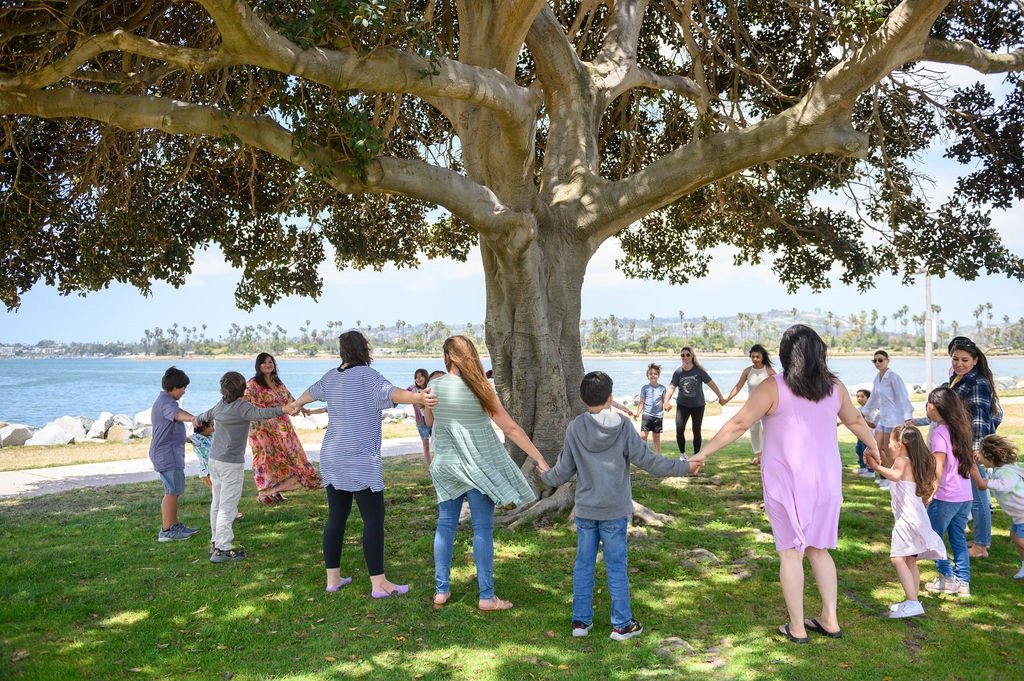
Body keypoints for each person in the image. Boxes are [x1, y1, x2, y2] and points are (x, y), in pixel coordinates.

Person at [688, 325, 878, 644]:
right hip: (827, 480)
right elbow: (856, 421)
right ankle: (830, 620)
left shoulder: (773, 387)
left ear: (786, 354)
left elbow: (738, 423)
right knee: (819, 549)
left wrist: (702, 453)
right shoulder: (835, 387)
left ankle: (797, 626)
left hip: (787, 480)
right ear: (820, 353)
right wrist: (873, 446)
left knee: (791, 553)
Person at [541, 371, 693, 640]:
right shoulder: (622, 426)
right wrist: (684, 468)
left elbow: (562, 471)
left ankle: (580, 622)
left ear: (582, 398)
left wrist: (544, 475)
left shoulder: (575, 427)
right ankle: (621, 624)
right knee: (616, 566)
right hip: (614, 510)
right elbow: (648, 461)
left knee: (583, 565)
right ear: (610, 397)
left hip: (587, 510)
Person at [288, 331, 437, 597]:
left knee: (336, 517)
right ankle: (379, 584)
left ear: (342, 351)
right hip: (358, 457)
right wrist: (419, 398)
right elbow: (393, 393)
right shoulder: (368, 376)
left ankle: (332, 579)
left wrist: (296, 403)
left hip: (332, 456)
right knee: (373, 519)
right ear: (364, 350)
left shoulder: (331, 377)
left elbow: (311, 392)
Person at [423, 336, 550, 613]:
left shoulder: (435, 386)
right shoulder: (481, 388)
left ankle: (441, 591)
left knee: (445, 525)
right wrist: (538, 457)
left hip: (446, 464)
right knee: (481, 528)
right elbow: (511, 429)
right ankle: (486, 596)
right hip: (479, 465)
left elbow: (430, 422)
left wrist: (430, 408)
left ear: (449, 357)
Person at [195, 372, 295, 563]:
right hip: (230, 464)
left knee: (217, 503)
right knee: (227, 506)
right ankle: (223, 549)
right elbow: (262, 413)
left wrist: (195, 419)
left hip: (214, 461)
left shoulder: (220, 405)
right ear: (243, 388)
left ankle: (216, 543)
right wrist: (284, 409)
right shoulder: (241, 407)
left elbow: (204, 416)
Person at [865, 424, 946, 618]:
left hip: (907, 519)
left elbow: (894, 475)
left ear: (900, 444)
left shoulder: (902, 461)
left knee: (897, 558)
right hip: (917, 516)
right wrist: (880, 463)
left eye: (891, 442)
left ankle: (912, 603)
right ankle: (912, 599)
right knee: (910, 559)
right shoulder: (913, 461)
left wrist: (876, 467)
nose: (889, 445)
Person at [946, 336, 1003, 559]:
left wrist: (977, 448)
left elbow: (980, 417)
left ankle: (981, 546)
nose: (959, 363)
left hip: (971, 448)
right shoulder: (958, 379)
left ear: (975, 360)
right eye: (955, 358)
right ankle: (979, 538)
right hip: (961, 445)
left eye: (965, 360)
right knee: (971, 496)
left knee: (979, 499)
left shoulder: (977, 382)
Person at [245, 352, 322, 505]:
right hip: (261, 428)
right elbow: (246, 405)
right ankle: (263, 493)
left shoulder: (277, 382)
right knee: (264, 458)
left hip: (282, 427)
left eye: (270, 362)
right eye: (264, 363)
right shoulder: (253, 384)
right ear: (258, 366)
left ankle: (276, 491)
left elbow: (289, 399)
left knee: (286, 456)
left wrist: (302, 408)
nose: (268, 365)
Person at [922, 386, 976, 597]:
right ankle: (964, 583)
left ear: (933, 406)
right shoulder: (961, 430)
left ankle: (946, 579)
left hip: (946, 496)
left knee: (933, 537)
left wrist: (930, 493)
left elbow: (939, 467)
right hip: (965, 495)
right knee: (958, 538)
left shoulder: (939, 433)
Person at [149, 366, 201, 542]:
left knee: (173, 490)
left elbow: (169, 428)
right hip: (166, 454)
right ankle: (167, 530)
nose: (184, 391)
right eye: (183, 388)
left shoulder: (166, 401)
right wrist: (194, 418)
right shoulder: (167, 403)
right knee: (172, 490)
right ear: (174, 387)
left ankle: (173, 525)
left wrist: (187, 439)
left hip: (169, 452)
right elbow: (177, 415)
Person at [970, 435, 1024, 580]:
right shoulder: (998, 469)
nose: (978, 456)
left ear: (991, 457)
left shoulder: (1006, 472)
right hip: (1018, 515)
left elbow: (1002, 485)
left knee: (1020, 539)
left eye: (981, 454)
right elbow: (992, 474)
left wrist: (976, 472)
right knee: (1014, 536)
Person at [863, 350, 914, 490]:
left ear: (887, 360)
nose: (877, 363)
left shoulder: (893, 377)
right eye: (875, 361)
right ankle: (886, 476)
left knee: (889, 450)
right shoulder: (877, 378)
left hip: (894, 419)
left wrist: (907, 415)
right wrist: (864, 412)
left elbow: (903, 396)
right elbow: (873, 398)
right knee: (876, 447)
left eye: (880, 360)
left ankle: (897, 478)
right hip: (883, 418)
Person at [662, 347, 726, 458]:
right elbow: (671, 387)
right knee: (679, 429)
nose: (685, 357)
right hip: (683, 406)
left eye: (687, 355)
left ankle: (697, 456)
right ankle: (682, 454)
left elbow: (711, 383)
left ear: (692, 356)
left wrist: (720, 397)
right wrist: (666, 401)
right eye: (682, 355)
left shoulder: (699, 371)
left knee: (696, 430)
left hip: (698, 406)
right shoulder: (678, 372)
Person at [721, 344, 777, 465]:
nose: (755, 359)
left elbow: (779, 388)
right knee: (754, 430)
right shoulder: (747, 371)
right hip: (752, 406)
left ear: (762, 357)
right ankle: (758, 456)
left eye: (758, 356)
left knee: (767, 430)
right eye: (753, 356)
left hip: (768, 406)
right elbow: (738, 386)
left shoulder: (769, 371)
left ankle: (768, 455)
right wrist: (727, 399)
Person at [635, 363, 667, 455]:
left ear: (658, 375)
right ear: (648, 376)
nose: (653, 375)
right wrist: (638, 413)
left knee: (656, 438)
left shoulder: (662, 388)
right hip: (647, 415)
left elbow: (665, 402)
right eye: (651, 374)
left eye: (655, 373)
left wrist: (667, 406)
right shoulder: (645, 388)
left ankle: (657, 456)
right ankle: (643, 454)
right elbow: (641, 402)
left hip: (658, 416)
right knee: (643, 435)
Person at [408, 368, 433, 466]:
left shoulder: (431, 388)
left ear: (426, 377)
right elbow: (401, 394)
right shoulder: (412, 389)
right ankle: (430, 467)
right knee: (426, 446)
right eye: (416, 377)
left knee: (437, 444)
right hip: (421, 422)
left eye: (420, 376)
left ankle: (438, 466)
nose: (418, 379)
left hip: (433, 420)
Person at [854, 389, 879, 477]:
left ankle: (870, 471)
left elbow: (873, 423)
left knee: (868, 452)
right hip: (861, 434)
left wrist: (862, 420)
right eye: (858, 396)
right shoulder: (859, 409)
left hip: (869, 434)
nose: (859, 398)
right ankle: (862, 467)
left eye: (862, 396)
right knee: (859, 450)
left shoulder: (870, 410)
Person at [190, 420, 214, 491]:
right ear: (203, 427)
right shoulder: (196, 438)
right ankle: (217, 500)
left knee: (218, 489)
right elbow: (188, 439)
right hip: (206, 470)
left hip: (215, 468)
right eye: (211, 426)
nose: (213, 429)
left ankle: (218, 500)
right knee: (215, 490)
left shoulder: (211, 436)